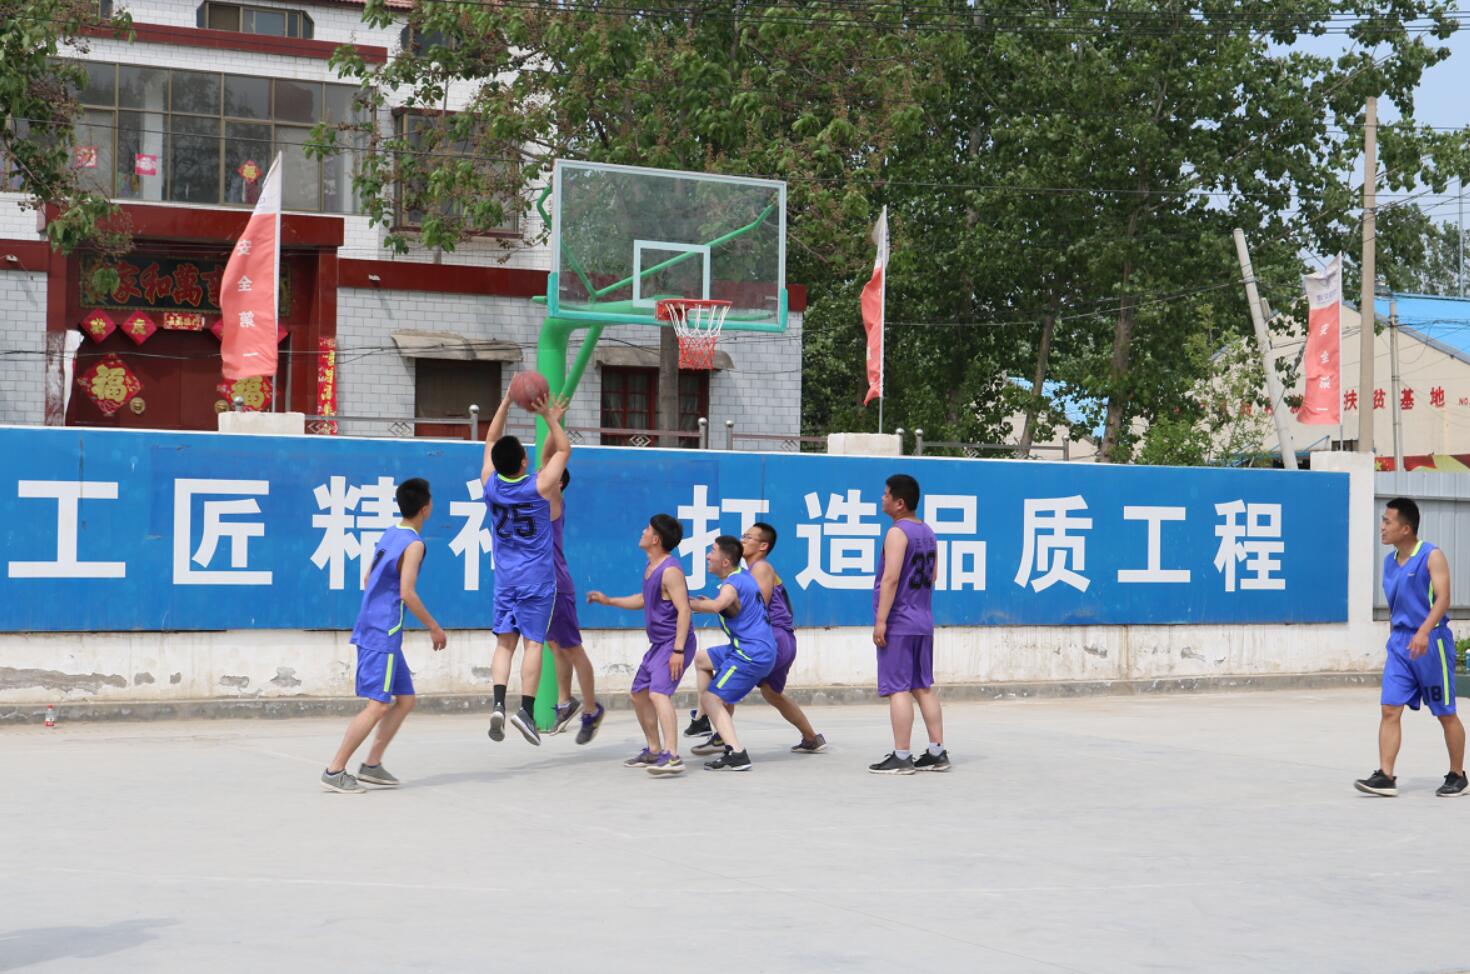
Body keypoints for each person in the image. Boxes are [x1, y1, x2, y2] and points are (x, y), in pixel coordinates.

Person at [321, 478, 447, 794]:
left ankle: (372, 764)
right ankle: (335, 770)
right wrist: (434, 626)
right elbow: (407, 592)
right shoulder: (414, 544)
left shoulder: (392, 533)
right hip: (383, 632)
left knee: (405, 699)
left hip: (376, 627)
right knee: (378, 705)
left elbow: (368, 577)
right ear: (426, 507)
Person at [1355, 497, 1467, 797]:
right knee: (1390, 708)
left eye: (1387, 521)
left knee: (1445, 712)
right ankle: (1386, 775)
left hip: (1431, 642)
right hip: (1401, 645)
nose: (1381, 527)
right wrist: (1398, 637)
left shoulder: (1431, 555)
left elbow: (1443, 598)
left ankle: (1458, 775)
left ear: (1406, 528)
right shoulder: (1389, 562)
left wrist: (1424, 631)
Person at [480, 388, 571, 746]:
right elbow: (562, 451)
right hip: (537, 579)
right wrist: (549, 416)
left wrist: (504, 401)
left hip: (506, 578)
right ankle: (527, 711)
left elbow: (491, 440)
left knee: (505, 644)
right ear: (522, 462)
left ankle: (497, 704)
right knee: (533, 644)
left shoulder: (490, 486)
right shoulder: (540, 486)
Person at [689, 522, 825, 756]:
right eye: (742, 536)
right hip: (779, 639)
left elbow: (753, 605)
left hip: (774, 637)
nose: (742, 540)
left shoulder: (760, 568)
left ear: (763, 546)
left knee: (727, 678)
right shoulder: (746, 572)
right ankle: (811, 737)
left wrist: (709, 605)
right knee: (772, 693)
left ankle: (721, 737)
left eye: (748, 537)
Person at [587, 514, 693, 775]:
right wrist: (609, 601)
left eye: (647, 529)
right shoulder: (651, 567)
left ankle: (672, 755)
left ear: (656, 539)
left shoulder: (670, 571)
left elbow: (684, 610)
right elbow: (644, 599)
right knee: (639, 694)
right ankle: (654, 750)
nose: (643, 532)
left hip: (674, 643)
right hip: (658, 645)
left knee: (658, 694)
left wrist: (678, 650)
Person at [868, 473, 949, 775]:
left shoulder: (897, 532)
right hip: (923, 619)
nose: (883, 498)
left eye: (886, 494)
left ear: (899, 502)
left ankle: (902, 755)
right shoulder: (927, 531)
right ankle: (937, 751)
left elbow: (890, 579)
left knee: (898, 689)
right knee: (922, 686)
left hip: (900, 621)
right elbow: (933, 575)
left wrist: (881, 621)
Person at [689, 536, 777, 772]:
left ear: (725, 561)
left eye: (712, 551)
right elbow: (731, 605)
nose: (708, 556)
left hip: (750, 654)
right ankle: (702, 720)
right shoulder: (742, 577)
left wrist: (683, 602)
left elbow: (718, 605)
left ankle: (737, 753)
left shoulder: (732, 584)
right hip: (749, 647)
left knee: (711, 698)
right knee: (702, 659)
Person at [546, 467, 605, 745]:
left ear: (558, 483)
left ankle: (591, 710)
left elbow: (553, 458)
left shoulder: (554, 500)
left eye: (546, 473)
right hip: (543, 588)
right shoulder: (536, 504)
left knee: (572, 648)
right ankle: (565, 701)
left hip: (557, 586)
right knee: (555, 645)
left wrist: (552, 427)